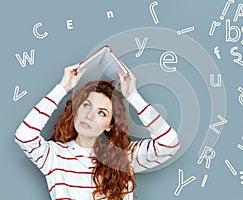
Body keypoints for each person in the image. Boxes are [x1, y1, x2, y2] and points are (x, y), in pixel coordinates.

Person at [15, 64, 180, 200]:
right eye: (86, 105)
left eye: (102, 113)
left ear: (110, 125)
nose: (89, 116)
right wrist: (62, 87)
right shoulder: (54, 155)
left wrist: (133, 96)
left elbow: (169, 144)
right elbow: (24, 136)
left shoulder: (124, 156)